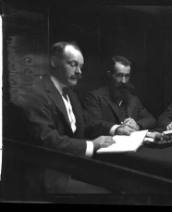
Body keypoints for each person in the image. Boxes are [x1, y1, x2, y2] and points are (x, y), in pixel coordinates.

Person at [20, 41, 115, 196]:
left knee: (119, 184)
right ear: (54, 62)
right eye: (73, 64)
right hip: (48, 175)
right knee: (107, 195)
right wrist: (91, 145)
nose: (79, 72)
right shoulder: (35, 93)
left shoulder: (71, 93)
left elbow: (87, 123)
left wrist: (116, 128)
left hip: (72, 166)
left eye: (81, 67)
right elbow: (48, 139)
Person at [83, 56, 156, 138]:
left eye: (127, 76)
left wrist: (137, 125)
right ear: (109, 75)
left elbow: (151, 119)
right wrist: (117, 129)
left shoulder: (133, 99)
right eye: (119, 75)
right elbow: (92, 124)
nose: (124, 81)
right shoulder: (94, 97)